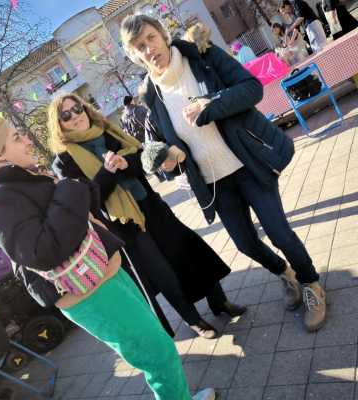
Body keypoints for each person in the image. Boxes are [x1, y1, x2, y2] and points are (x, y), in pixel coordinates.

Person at [0, 116, 215, 400]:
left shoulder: (20, 182)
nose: (28, 141)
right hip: (87, 291)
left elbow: (69, 219)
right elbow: (41, 252)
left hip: (101, 272)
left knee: (156, 346)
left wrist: (79, 188)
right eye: (17, 137)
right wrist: (68, 189)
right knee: (158, 354)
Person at [121, 16, 329, 332]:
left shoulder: (202, 56)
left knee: (279, 233)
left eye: (151, 38)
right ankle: (284, 273)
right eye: (139, 46)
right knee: (246, 244)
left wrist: (211, 104)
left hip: (246, 163)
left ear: (163, 36)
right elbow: (163, 146)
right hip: (214, 183)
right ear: (135, 55)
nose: (149, 49)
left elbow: (252, 89)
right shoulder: (152, 96)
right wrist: (169, 161)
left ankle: (312, 284)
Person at [48, 93, 247, 340]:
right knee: (163, 273)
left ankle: (219, 301)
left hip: (151, 206)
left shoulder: (109, 131)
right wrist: (107, 173)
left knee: (189, 251)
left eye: (77, 108)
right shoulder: (64, 162)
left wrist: (125, 164)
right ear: (59, 124)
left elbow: (143, 158)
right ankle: (194, 321)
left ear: (85, 108)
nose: (75, 116)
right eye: (65, 115)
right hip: (126, 225)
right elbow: (87, 203)